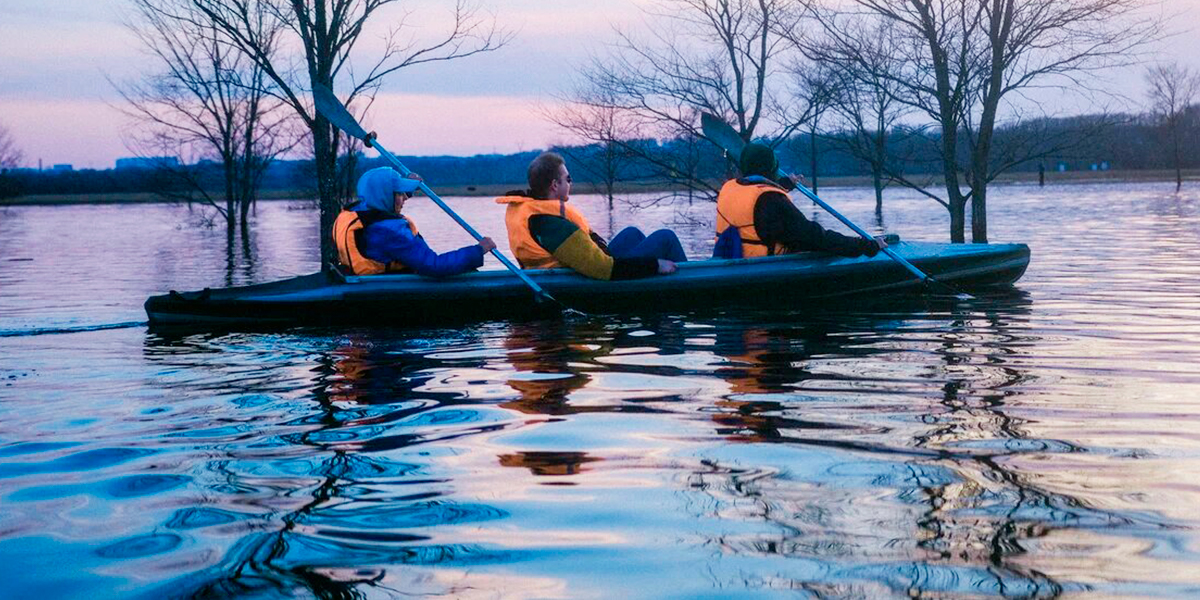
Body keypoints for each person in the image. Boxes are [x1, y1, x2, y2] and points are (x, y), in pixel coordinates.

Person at [496, 152, 685, 280]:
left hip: (585, 269)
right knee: (665, 238)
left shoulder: (537, 213)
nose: (571, 183)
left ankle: (655, 284)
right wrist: (654, 265)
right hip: (591, 279)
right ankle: (694, 284)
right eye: (568, 179)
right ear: (555, 185)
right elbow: (603, 269)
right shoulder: (550, 224)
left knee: (631, 233)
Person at [714, 143, 887, 259]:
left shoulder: (729, 188)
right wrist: (866, 246)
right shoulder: (773, 200)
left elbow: (757, 201)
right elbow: (815, 237)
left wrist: (783, 185)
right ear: (772, 168)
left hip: (731, 257)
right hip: (763, 266)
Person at [333, 166, 496, 276]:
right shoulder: (389, 231)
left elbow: (384, 200)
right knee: (466, 269)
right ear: (386, 195)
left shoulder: (361, 210)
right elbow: (434, 265)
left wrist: (410, 186)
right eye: (399, 193)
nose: (404, 198)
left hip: (367, 279)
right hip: (384, 287)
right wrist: (478, 250)